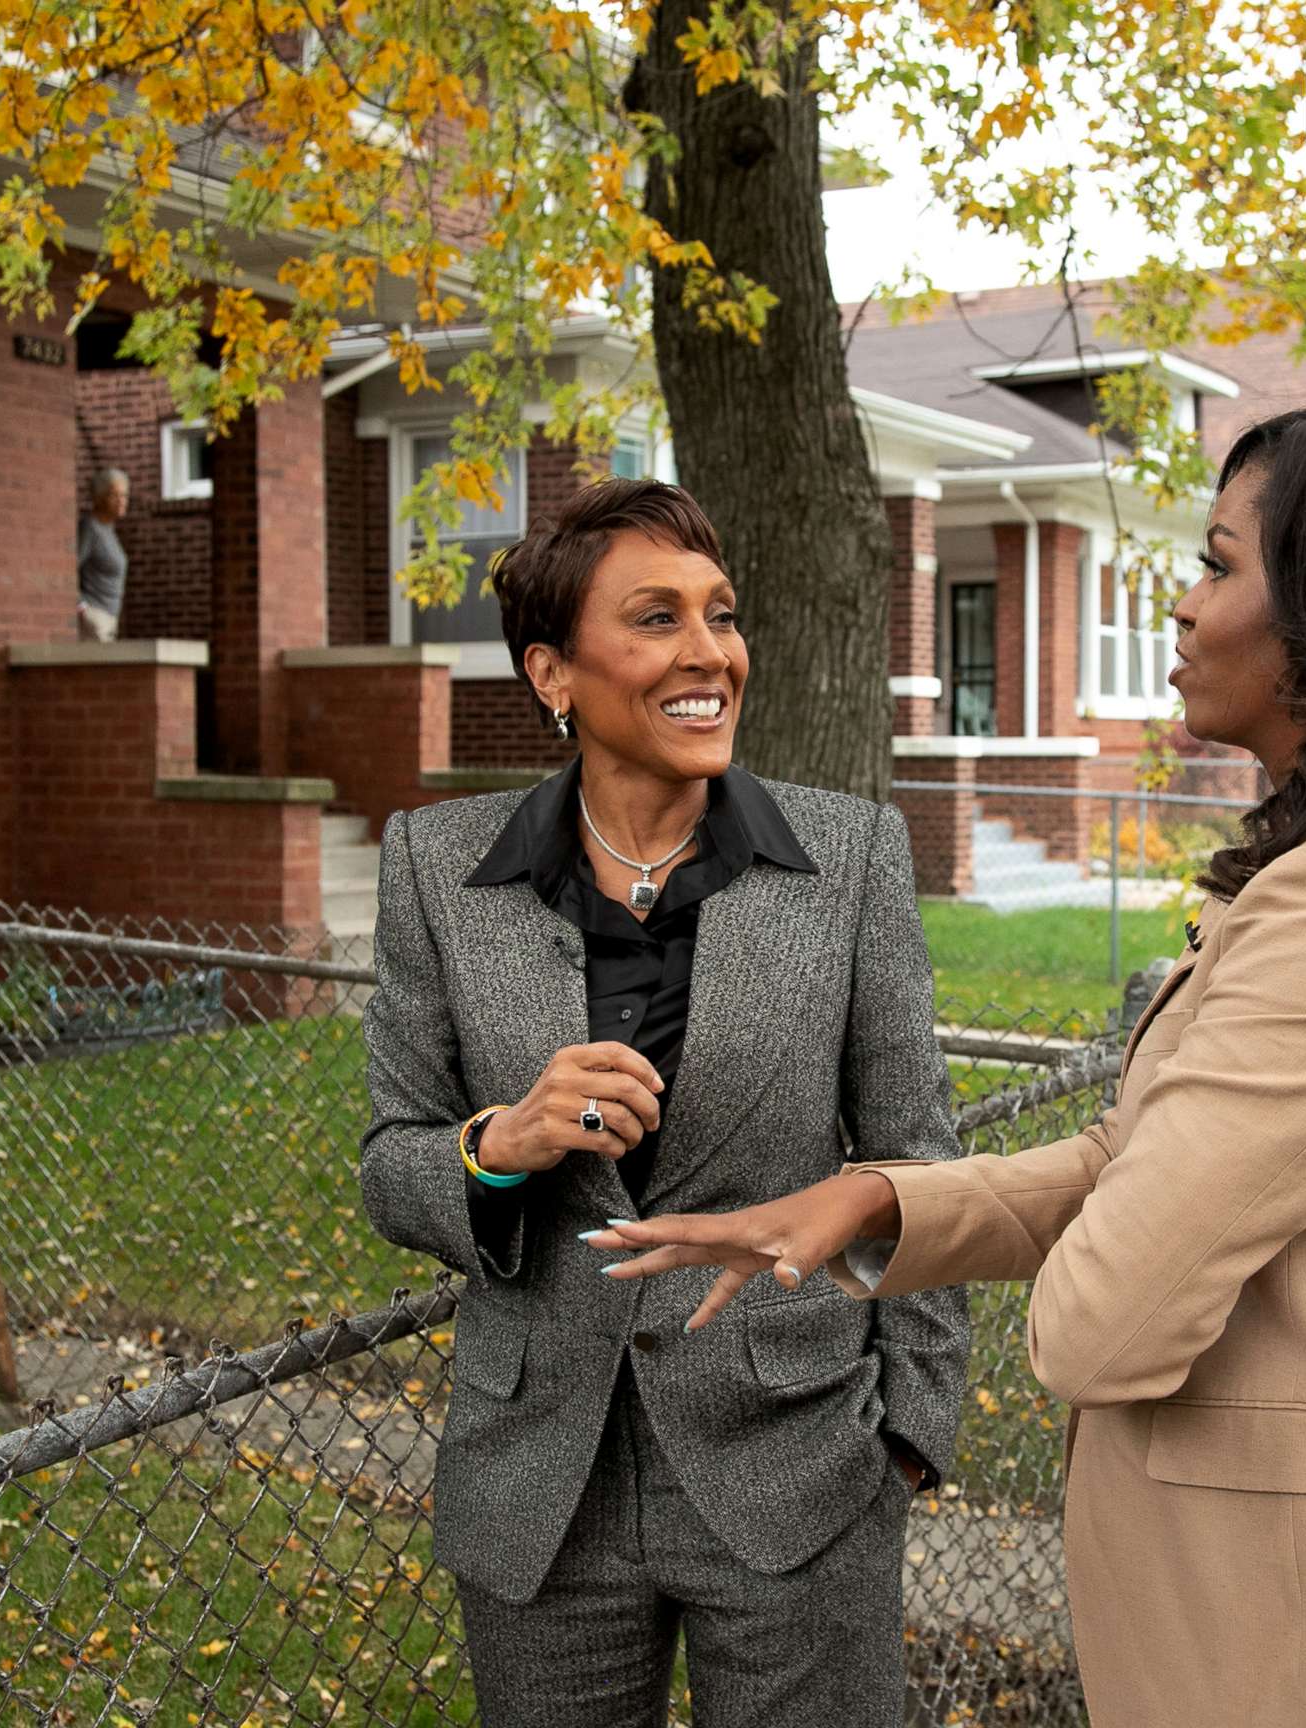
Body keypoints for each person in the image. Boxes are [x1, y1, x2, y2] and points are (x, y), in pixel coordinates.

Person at [593, 396, 1306, 1727]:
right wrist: (885, 1201)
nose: (1184, 608)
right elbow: (1146, 1162)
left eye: (1218, 563)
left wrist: (1075, 1276)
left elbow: (1107, 1318)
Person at [356, 477, 968, 1728]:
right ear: (552, 674)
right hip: (542, 1487)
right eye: (657, 619)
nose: (710, 654)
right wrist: (500, 1144)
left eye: (722, 614)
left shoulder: (846, 859)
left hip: (799, 1468)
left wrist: (910, 1434)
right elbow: (389, 1162)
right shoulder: (436, 868)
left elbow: (917, 1156)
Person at [76, 467, 129, 641]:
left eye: (124, 495)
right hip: (94, 617)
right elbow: (70, 568)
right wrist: (82, 608)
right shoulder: (90, 528)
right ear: (99, 498)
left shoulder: (109, 530)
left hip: (110, 617)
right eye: (114, 495)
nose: (122, 501)